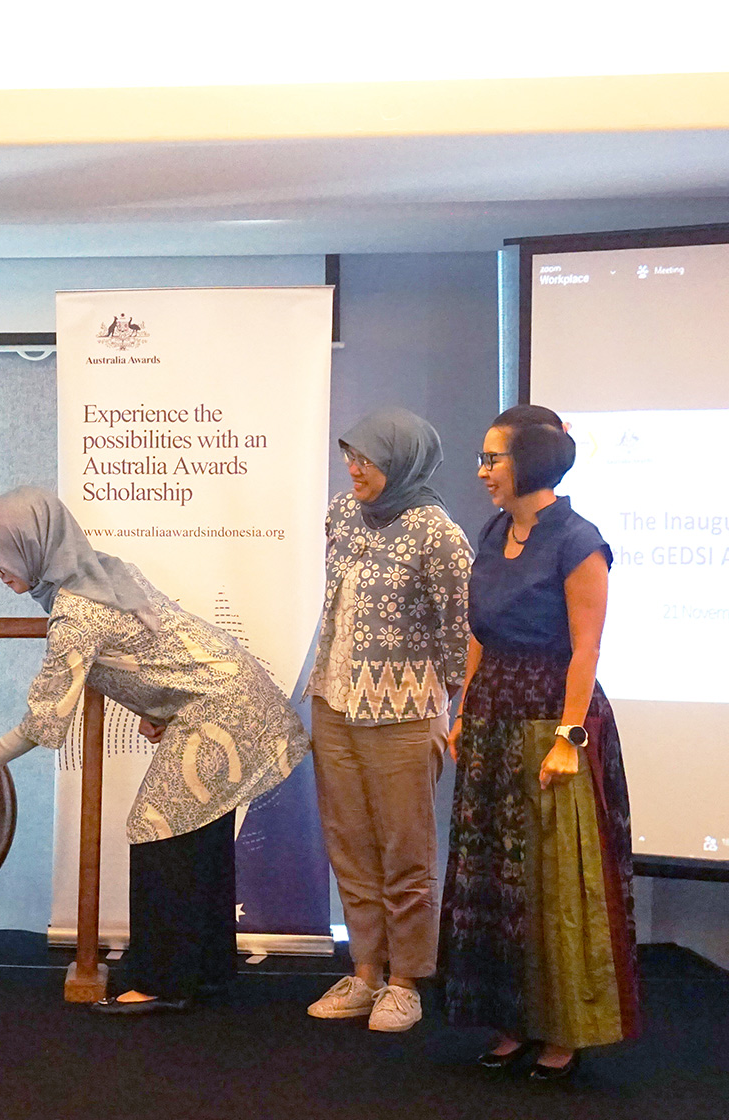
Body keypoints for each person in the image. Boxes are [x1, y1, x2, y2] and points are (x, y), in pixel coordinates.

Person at [0, 487, 309, 1014]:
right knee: (197, 832)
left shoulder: (76, 612)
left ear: (34, 547)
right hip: (230, 694)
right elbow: (159, 648)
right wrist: (161, 709)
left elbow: (45, 721)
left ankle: (161, 982)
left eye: (0, 561)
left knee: (157, 826)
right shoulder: (105, 572)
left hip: (222, 709)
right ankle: (204, 971)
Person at [440, 405, 638, 1080]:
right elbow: (479, 631)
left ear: (530, 461)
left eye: (493, 459)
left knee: (556, 882)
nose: (483, 471)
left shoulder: (578, 540)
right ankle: (511, 1022)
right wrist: (465, 709)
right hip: (494, 718)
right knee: (497, 877)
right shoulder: (494, 531)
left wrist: (568, 739)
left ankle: (564, 1033)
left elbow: (586, 650)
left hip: (552, 723)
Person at [304, 408, 472, 1033]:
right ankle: (365, 971)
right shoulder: (341, 513)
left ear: (401, 462)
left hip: (403, 714)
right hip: (334, 703)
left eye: (367, 459)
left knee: (405, 852)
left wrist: (445, 703)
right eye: (350, 455)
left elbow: (462, 637)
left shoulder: (438, 534)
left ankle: (406, 981)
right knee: (350, 847)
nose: (353, 468)